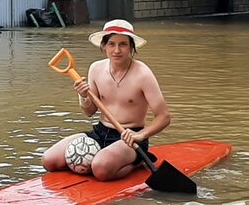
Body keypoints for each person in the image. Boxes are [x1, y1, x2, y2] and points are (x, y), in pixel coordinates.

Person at [42, 19, 172, 180]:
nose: (117, 50)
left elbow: (164, 117)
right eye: (111, 44)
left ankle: (136, 162)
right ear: (103, 46)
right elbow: (89, 112)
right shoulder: (96, 68)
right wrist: (83, 96)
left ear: (132, 47)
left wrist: (141, 135)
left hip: (130, 138)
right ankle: (102, 161)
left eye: (123, 44)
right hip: (100, 132)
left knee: (100, 169)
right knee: (49, 160)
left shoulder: (143, 74)